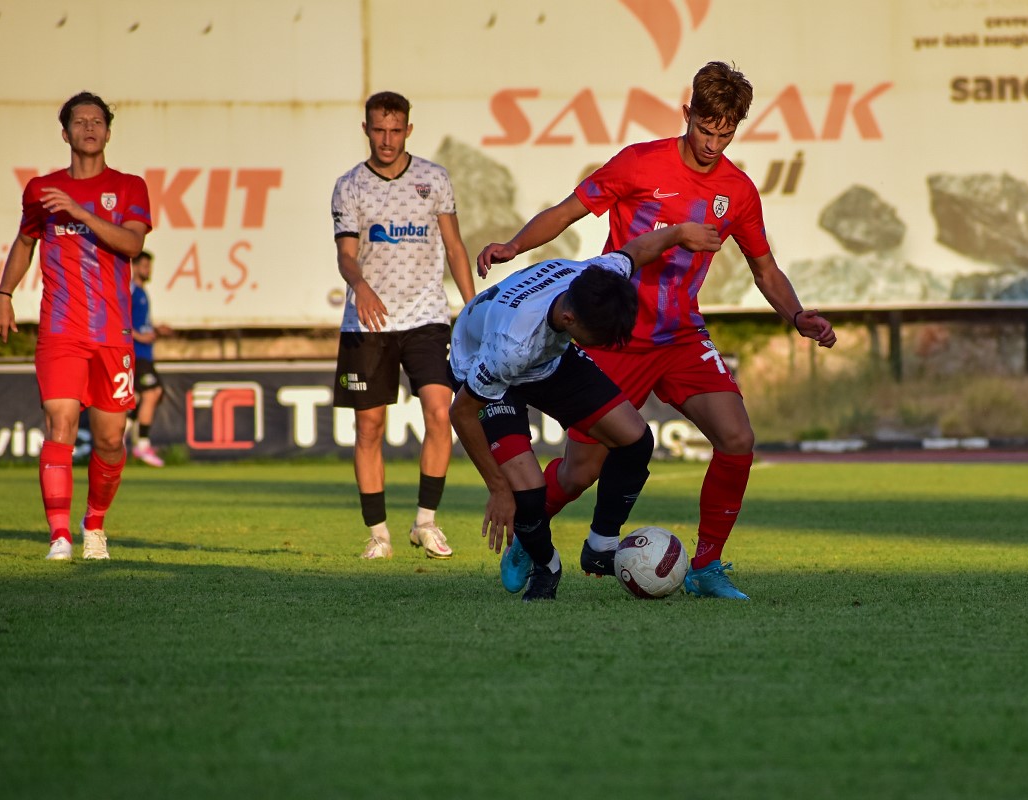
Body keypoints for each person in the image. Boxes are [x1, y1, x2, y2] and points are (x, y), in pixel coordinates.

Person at [477, 61, 837, 600]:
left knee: (738, 440)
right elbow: (567, 212)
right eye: (705, 128)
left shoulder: (737, 191)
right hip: (614, 336)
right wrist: (513, 247)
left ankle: (706, 567)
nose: (714, 142)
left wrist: (797, 315)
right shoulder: (639, 163)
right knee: (579, 474)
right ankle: (529, 542)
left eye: (726, 132)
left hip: (681, 338)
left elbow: (766, 270)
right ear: (686, 112)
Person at [451, 222, 721, 601]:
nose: (610, 346)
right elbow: (461, 413)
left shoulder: (596, 278)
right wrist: (498, 488)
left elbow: (640, 248)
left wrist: (679, 234)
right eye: (603, 340)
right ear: (571, 321)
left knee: (636, 440)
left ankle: (601, 545)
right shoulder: (510, 348)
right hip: (484, 360)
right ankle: (545, 565)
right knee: (526, 495)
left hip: (550, 356)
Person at [0, 91, 152, 561]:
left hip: (113, 333)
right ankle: (59, 535)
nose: (89, 127)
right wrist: (4, 294)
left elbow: (132, 245)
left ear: (107, 131)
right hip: (60, 330)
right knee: (60, 423)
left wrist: (81, 213)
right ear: (66, 133)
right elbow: (25, 241)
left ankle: (93, 524)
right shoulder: (41, 189)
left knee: (109, 439)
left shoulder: (128, 187)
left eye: (97, 121)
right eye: (79, 121)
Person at [331, 91, 475, 561]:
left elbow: (454, 247)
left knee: (440, 410)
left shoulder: (433, 179)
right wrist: (363, 287)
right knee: (369, 427)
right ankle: (379, 534)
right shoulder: (350, 186)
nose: (387, 139)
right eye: (379, 130)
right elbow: (346, 256)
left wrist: (472, 307)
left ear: (408, 130)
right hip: (367, 323)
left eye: (395, 130)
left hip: (426, 317)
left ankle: (425, 523)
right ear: (366, 129)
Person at [129, 250, 172, 467]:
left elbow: (139, 324)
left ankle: (125, 434)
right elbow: (120, 322)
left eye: (149, 266)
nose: (148, 270)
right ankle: (142, 445)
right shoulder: (131, 290)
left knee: (142, 397)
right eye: (144, 266)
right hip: (136, 355)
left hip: (145, 354)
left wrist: (155, 330)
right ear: (135, 266)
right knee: (152, 392)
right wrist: (140, 336)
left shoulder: (143, 293)